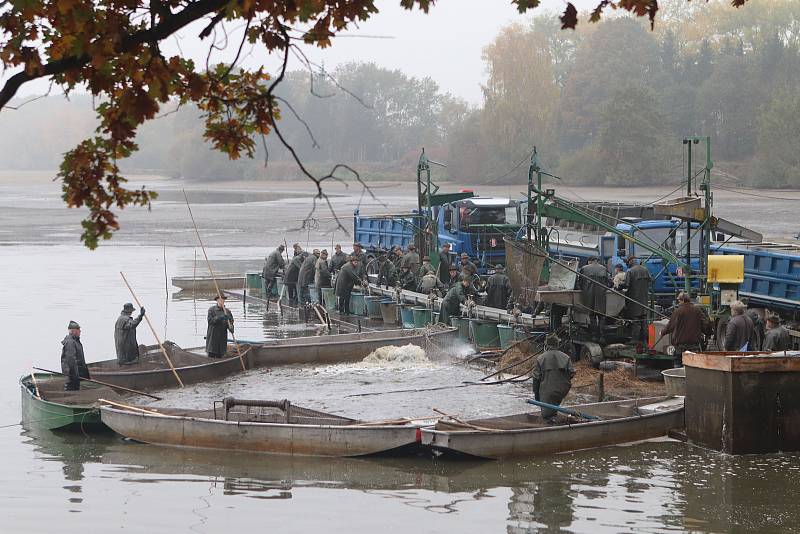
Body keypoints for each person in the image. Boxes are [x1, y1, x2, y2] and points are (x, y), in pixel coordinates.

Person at [531, 333, 575, 423]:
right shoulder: (566, 357)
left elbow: (536, 378)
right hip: (562, 390)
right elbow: (571, 373)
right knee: (553, 407)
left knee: (546, 415)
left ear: (547, 345)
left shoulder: (541, 358)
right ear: (557, 344)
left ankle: (552, 425)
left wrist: (536, 393)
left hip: (546, 391)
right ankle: (555, 419)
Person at [661, 292, 708, 367]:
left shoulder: (678, 311)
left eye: (679, 301)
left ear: (683, 300)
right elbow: (705, 324)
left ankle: (678, 378)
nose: (678, 303)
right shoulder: (697, 310)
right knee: (692, 366)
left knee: (678, 365)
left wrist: (662, 332)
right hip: (694, 345)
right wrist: (705, 334)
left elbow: (670, 326)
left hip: (680, 345)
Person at [622, 256, 651, 344]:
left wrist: (619, 286)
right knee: (644, 319)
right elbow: (650, 280)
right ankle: (645, 340)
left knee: (635, 320)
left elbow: (626, 285)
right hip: (644, 299)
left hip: (634, 299)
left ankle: (635, 339)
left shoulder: (630, 271)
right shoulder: (645, 270)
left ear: (631, 261)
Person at [578, 256, 609, 337]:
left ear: (590, 261)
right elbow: (609, 283)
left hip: (589, 295)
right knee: (602, 316)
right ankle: (602, 336)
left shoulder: (584, 268)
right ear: (597, 261)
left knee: (592, 316)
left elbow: (579, 283)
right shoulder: (603, 268)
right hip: (601, 295)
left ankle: (594, 335)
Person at [61, 321, 90, 391]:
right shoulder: (70, 342)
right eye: (78, 330)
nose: (80, 331)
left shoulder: (75, 341)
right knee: (70, 390)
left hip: (77, 376)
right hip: (72, 377)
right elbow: (71, 361)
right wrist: (74, 376)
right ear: (73, 331)